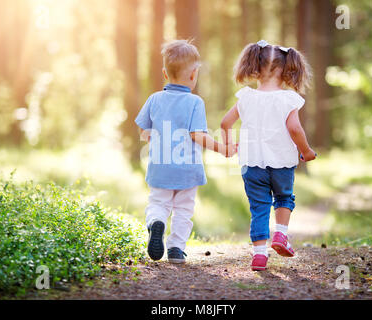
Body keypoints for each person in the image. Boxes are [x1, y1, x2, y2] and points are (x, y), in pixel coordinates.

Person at [135, 39, 237, 264]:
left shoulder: (154, 99)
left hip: (160, 167)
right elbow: (197, 135)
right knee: (183, 209)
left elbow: (143, 128)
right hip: (187, 170)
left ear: (164, 73)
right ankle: (175, 249)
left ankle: (155, 223)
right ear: (193, 75)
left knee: (158, 204)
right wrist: (223, 148)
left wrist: (151, 137)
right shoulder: (195, 102)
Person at [220, 40, 316, 271]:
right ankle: (281, 235)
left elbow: (225, 123)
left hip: (251, 163)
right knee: (283, 197)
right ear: (286, 69)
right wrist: (306, 151)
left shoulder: (246, 97)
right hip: (282, 162)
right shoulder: (288, 99)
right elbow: (295, 129)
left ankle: (259, 256)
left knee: (259, 206)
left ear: (255, 66)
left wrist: (229, 146)